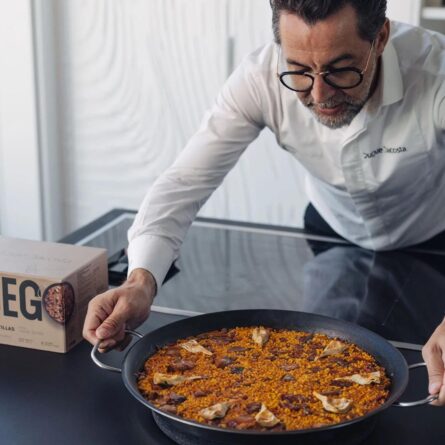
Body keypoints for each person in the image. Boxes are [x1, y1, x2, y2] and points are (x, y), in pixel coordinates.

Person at [83, 0, 445, 405]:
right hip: (333, 233)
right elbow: (185, 181)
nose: (320, 94)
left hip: (433, 240)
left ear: (380, 37)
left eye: (341, 68)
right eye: (300, 71)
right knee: (314, 377)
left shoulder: (437, 72)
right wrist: (140, 281)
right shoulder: (260, 77)